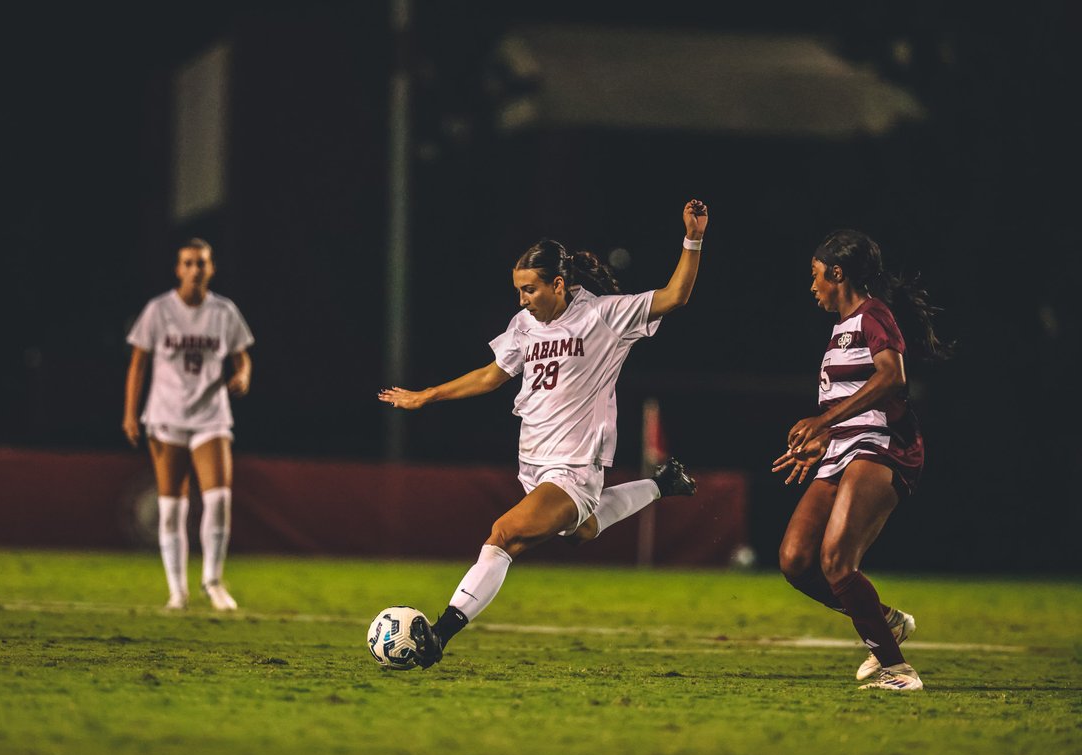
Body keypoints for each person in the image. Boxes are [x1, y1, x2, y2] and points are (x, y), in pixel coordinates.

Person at [378, 199, 709, 668]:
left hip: (573, 465)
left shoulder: (606, 317)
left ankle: (439, 634)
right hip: (533, 462)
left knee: (503, 535)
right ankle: (663, 483)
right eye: (518, 290)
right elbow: (492, 376)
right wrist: (426, 395)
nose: (522, 299)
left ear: (558, 283)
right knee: (583, 531)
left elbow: (676, 295)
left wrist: (692, 236)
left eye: (529, 289)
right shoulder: (524, 324)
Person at [772, 229, 953, 691]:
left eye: (816, 276)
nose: (811, 286)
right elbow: (854, 399)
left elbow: (893, 379)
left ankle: (898, 670)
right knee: (795, 560)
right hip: (844, 447)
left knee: (836, 560)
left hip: (883, 445)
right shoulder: (839, 329)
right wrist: (824, 434)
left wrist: (826, 420)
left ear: (838, 274)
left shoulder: (874, 315)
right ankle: (884, 620)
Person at [123, 238, 254, 611]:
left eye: (202, 263)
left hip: (210, 415)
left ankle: (212, 581)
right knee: (171, 507)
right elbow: (138, 364)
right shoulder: (159, 310)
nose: (196, 269)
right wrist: (130, 413)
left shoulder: (224, 312)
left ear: (211, 268)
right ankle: (177, 590)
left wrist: (243, 376)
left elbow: (242, 359)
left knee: (219, 500)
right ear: (178, 269)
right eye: (189, 263)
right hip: (166, 416)